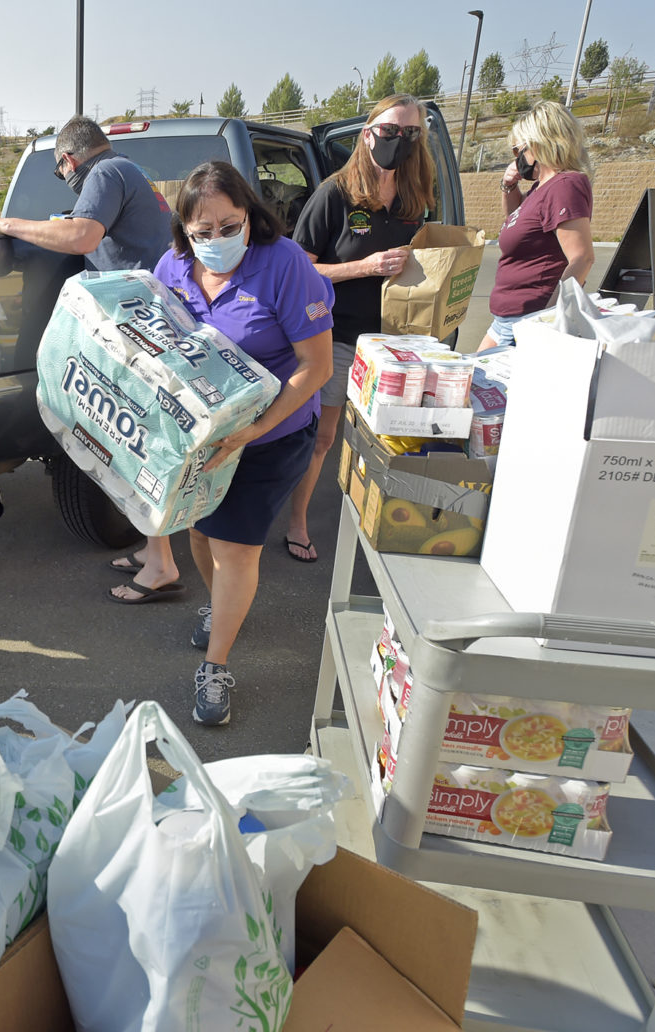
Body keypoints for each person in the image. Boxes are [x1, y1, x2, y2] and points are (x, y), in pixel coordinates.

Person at [150, 162, 333, 726]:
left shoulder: (285, 267)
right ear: (185, 231)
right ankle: (221, 605)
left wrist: (254, 430)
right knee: (201, 532)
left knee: (235, 548)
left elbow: (316, 366)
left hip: (271, 433)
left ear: (251, 217)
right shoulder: (173, 267)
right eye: (202, 232)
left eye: (229, 226)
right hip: (205, 433)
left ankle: (215, 665)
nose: (217, 241)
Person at [0, 115, 178, 603]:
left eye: (60, 170)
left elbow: (83, 238)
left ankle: (162, 564)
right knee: (140, 440)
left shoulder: (107, 174)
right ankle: (155, 551)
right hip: (148, 319)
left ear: (68, 159)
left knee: (142, 443)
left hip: (138, 326)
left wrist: (5, 224)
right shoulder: (130, 172)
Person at [285, 94, 434, 563]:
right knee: (323, 439)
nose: (398, 142)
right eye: (389, 131)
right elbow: (299, 271)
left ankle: (384, 525)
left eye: (409, 134)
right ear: (367, 134)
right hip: (339, 338)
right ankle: (297, 522)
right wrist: (364, 267)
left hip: (395, 342)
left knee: (389, 440)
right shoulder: (336, 194)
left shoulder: (415, 199)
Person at [479, 101, 595, 350]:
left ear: (539, 142)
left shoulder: (565, 185)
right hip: (506, 320)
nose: (517, 158)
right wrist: (509, 187)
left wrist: (549, 321)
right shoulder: (541, 187)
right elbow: (515, 223)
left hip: (528, 319)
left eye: (518, 150)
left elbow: (582, 258)